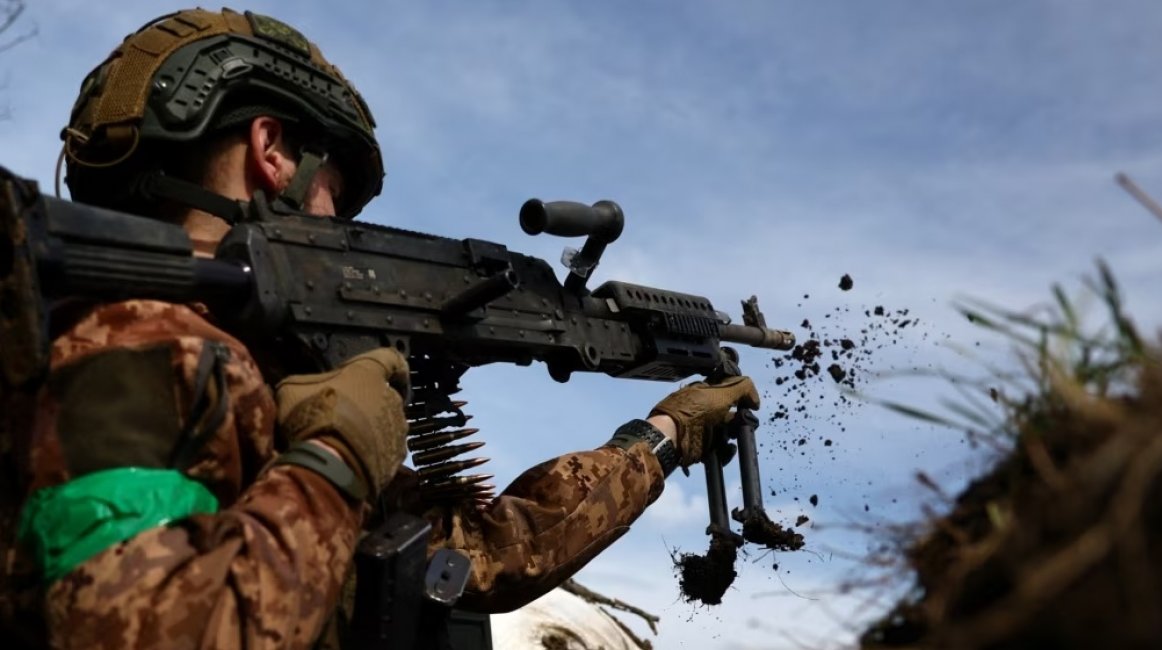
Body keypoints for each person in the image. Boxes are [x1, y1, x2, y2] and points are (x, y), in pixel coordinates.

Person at [0, 8, 760, 649]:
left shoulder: (253, 380)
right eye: (336, 187)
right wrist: (338, 456)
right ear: (273, 154)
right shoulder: (132, 346)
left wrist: (657, 439)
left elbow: (479, 559)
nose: (341, 220)